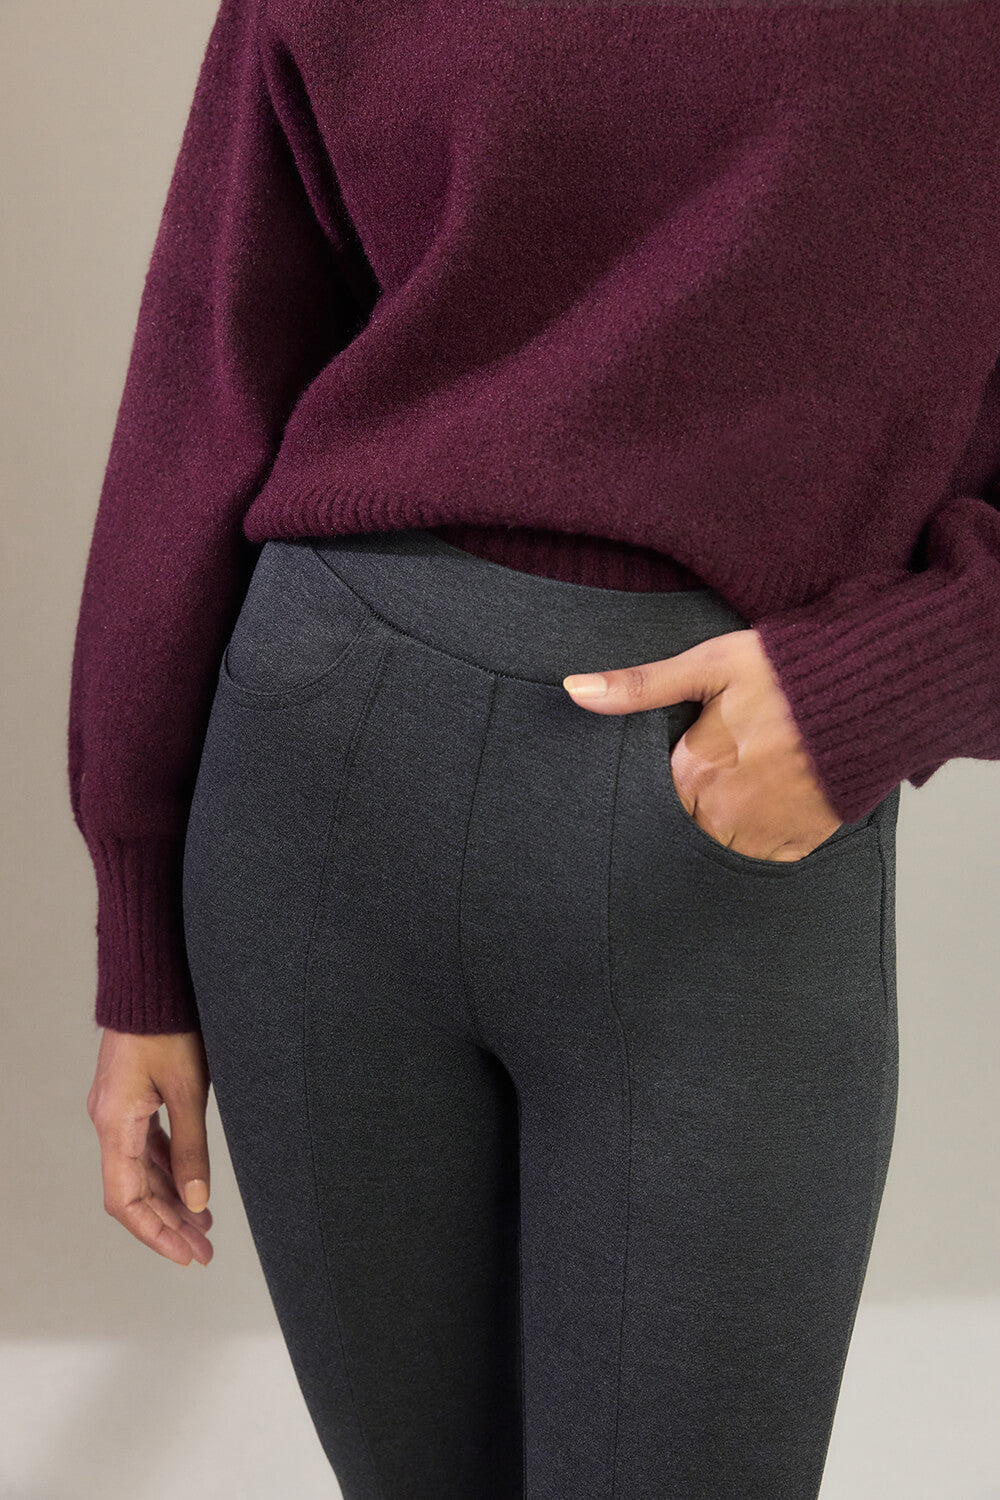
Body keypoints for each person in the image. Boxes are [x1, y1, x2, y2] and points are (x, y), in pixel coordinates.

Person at [69, 1, 1000, 1496]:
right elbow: (210, 368)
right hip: (317, 797)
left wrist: (895, 678)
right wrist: (137, 933)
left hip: (724, 853)